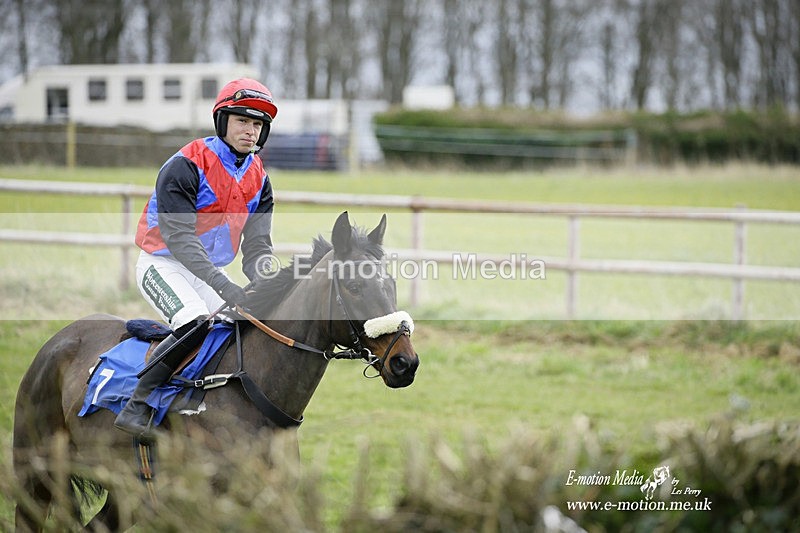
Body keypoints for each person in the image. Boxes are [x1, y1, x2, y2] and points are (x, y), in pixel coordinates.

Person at [114, 78, 278, 438]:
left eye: (257, 125)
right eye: (242, 122)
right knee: (195, 324)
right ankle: (137, 402)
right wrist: (225, 285)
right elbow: (180, 239)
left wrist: (270, 277)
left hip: (207, 273)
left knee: (245, 327)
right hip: (163, 263)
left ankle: (210, 403)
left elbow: (257, 247)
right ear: (222, 122)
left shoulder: (259, 178)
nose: (250, 131)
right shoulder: (186, 165)